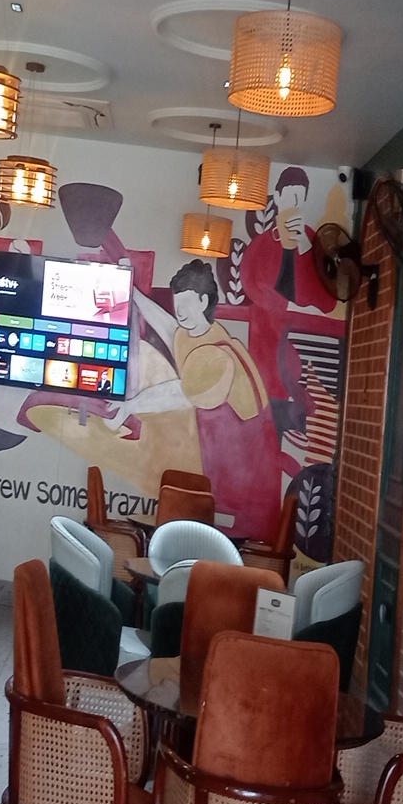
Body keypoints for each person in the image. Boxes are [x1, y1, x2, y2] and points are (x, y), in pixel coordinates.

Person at [111, 260, 281, 541]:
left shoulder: (216, 353)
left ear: (203, 301)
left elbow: (179, 393)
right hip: (219, 456)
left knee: (222, 542)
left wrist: (130, 405)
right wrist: (134, 292)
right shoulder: (192, 334)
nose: (179, 311)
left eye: (186, 303)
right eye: (177, 302)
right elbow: (167, 327)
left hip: (246, 466)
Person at [239, 167, 338, 435]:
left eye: (300, 198)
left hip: (302, 335)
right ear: (278, 197)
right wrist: (282, 306)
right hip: (267, 334)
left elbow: (328, 298)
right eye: (289, 196)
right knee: (266, 394)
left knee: (301, 395)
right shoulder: (261, 243)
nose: (294, 204)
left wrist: (306, 249)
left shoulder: (312, 242)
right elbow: (249, 282)